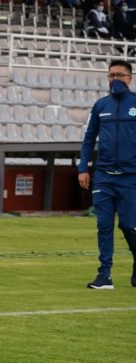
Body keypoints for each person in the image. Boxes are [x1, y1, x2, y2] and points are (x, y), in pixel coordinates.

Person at [78, 59, 136, 290]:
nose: (115, 79)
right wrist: (83, 168)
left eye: (120, 75)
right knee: (103, 225)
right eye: (111, 75)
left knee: (129, 226)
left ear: (130, 78)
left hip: (131, 177)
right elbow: (88, 138)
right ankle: (105, 275)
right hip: (103, 176)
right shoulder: (100, 106)